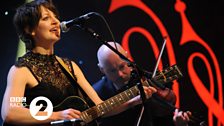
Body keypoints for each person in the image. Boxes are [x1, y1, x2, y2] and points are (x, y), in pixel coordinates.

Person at [1, 0, 157, 125]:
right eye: (46, 18)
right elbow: (11, 112)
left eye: (55, 17)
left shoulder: (70, 67)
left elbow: (99, 107)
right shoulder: (21, 70)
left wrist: (133, 101)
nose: (56, 22)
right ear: (29, 29)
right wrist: (56, 116)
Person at [93, 42, 191, 126]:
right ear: (101, 69)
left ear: (127, 57)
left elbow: (161, 121)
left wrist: (177, 124)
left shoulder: (144, 80)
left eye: (122, 66)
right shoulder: (96, 94)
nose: (120, 74)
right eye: (112, 70)